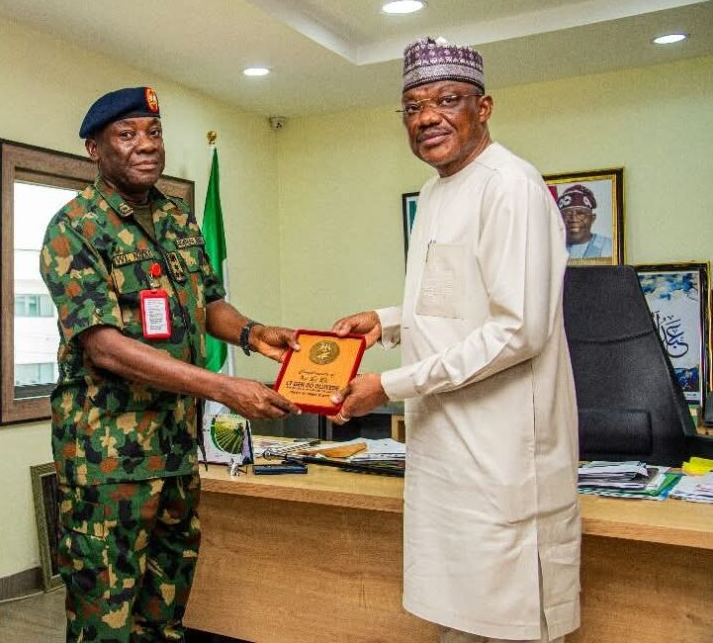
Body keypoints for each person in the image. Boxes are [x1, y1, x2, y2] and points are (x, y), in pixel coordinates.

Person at [329, 38, 580, 643]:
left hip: (503, 458)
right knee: (458, 622)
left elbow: (517, 329)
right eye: (414, 106)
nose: (427, 117)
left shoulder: (510, 185)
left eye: (447, 100)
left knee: (509, 621)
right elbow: (455, 302)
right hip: (447, 456)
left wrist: (389, 385)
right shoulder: (436, 191)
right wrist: (386, 322)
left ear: (483, 108)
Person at [40, 86, 299, 642]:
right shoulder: (75, 228)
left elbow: (209, 302)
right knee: (106, 617)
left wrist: (254, 334)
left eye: (153, 132)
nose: (146, 145)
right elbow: (104, 346)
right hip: (109, 463)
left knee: (165, 612)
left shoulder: (177, 220)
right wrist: (223, 388)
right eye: (127, 134)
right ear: (94, 149)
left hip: (176, 451)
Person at [557, 184, 612, 259]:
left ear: (592, 218)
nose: (574, 219)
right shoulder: (551, 246)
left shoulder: (610, 247)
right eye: (567, 214)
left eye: (580, 213)